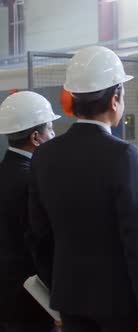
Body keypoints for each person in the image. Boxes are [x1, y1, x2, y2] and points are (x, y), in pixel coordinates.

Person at [28, 46, 138, 332]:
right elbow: (135, 236)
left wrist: (55, 292)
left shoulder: (44, 155)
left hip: (69, 297)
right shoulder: (123, 154)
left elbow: (39, 235)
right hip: (118, 301)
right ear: (115, 99)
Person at [0, 91, 60, 332]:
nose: (54, 135)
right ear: (36, 137)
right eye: (51, 129)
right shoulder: (34, 182)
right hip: (33, 299)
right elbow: (44, 243)